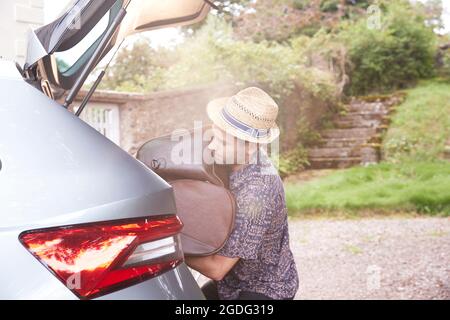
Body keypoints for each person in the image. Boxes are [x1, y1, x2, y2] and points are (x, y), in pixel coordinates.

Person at [185, 87, 299, 300]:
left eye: (223, 142)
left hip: (263, 290)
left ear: (251, 147)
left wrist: (168, 247)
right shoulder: (234, 159)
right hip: (234, 282)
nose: (211, 145)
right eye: (214, 136)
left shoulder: (257, 195)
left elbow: (216, 269)